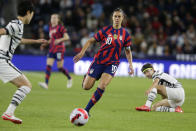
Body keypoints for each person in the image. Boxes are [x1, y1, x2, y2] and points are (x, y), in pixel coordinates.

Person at [73, 8, 134, 115]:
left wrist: (131, 65)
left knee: (103, 85)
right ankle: (86, 77)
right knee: (86, 87)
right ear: (112, 18)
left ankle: (87, 110)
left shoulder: (125, 34)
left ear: (122, 18)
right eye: (115, 16)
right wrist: (82, 52)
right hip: (99, 61)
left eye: (119, 16)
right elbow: (90, 41)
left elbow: (128, 51)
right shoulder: (106, 30)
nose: (117, 18)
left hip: (112, 63)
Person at [0, 1, 47, 124]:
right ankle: (9, 113)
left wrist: (36, 41)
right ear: (28, 13)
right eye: (32, 14)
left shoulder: (17, 25)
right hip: (2, 61)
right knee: (26, 85)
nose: (32, 17)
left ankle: (9, 113)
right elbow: (2, 31)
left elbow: (18, 40)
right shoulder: (16, 25)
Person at [38, 13, 72, 89]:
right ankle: (46, 84)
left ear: (58, 19)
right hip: (52, 49)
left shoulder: (61, 28)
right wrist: (45, 43)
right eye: (52, 18)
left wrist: (60, 39)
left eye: (55, 18)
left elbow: (67, 37)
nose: (53, 19)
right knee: (48, 65)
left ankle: (69, 78)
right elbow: (52, 39)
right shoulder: (50, 28)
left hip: (59, 49)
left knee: (60, 67)